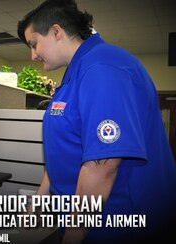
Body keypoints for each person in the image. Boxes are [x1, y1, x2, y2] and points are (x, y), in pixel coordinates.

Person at [18, 0, 176, 243]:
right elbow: (63, 151)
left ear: (56, 31)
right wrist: (40, 202)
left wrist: (74, 233)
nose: (33, 55)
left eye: (34, 43)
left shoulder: (102, 67)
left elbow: (103, 165)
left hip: (118, 225)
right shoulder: (75, 74)